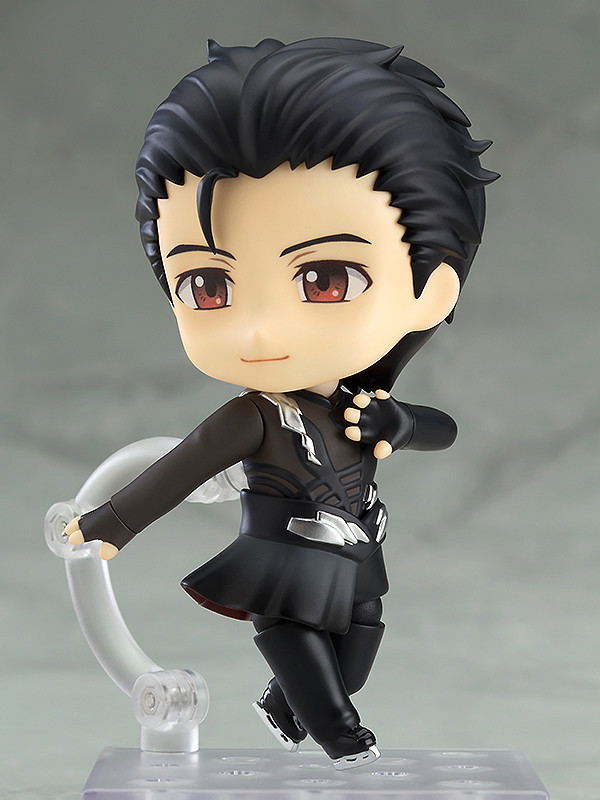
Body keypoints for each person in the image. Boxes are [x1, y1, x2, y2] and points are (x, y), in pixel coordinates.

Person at [64, 37, 498, 769]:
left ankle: (285, 704)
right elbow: (180, 468)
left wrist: (398, 422)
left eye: (325, 280)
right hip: (281, 565)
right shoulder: (255, 416)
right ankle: (344, 741)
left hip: (357, 558)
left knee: (358, 647)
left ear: (431, 290)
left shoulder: (363, 402)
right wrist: (108, 525)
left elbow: (441, 429)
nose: (259, 329)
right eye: (208, 286)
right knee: (316, 675)